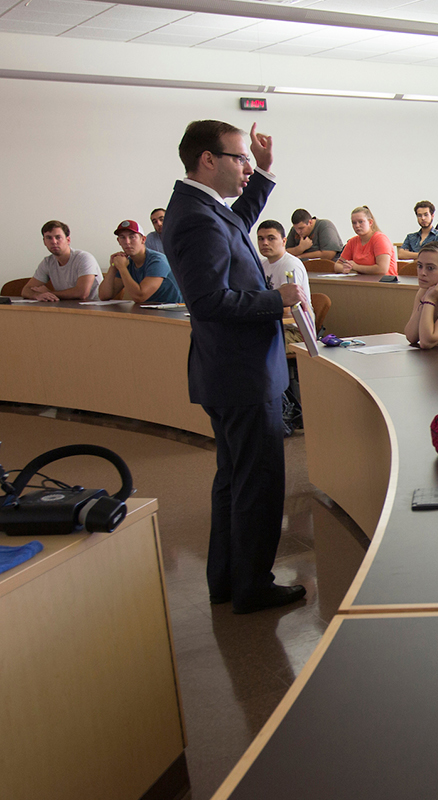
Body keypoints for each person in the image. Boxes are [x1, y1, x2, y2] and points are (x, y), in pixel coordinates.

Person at [163, 119, 309, 614]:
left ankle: (227, 578)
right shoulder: (199, 217)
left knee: (234, 478)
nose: (246, 167)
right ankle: (252, 584)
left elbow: (238, 221)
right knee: (258, 482)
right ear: (209, 160)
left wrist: (265, 175)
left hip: (227, 371)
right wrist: (276, 298)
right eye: (240, 158)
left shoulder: (201, 208)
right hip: (243, 373)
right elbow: (210, 302)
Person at [99, 220, 183, 304]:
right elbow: (104, 296)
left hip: (174, 310)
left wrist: (122, 268)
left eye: (132, 237)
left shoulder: (157, 261)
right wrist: (113, 267)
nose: (127, 242)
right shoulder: (127, 262)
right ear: (118, 241)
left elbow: (140, 297)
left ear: (143, 239)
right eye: (122, 237)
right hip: (148, 311)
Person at [23, 220, 100, 301]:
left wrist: (50, 293)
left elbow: (82, 293)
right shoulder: (47, 262)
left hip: (92, 309)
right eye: (49, 238)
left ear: (68, 240)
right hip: (65, 307)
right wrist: (37, 295)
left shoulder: (84, 258)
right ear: (44, 242)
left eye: (58, 237)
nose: (54, 242)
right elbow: (26, 290)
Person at [256, 220, 310, 300]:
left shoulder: (290, 264)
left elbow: (289, 306)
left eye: (271, 238)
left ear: (284, 241)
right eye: (260, 239)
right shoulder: (262, 264)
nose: (265, 243)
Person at [335, 206, 397, 276]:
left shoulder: (380, 239)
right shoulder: (352, 241)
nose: (357, 226)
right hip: (361, 282)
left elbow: (382, 269)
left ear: (370, 222)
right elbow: (337, 265)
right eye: (354, 223)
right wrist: (344, 268)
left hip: (384, 283)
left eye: (361, 222)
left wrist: (356, 267)